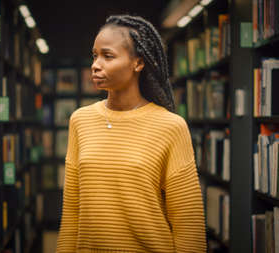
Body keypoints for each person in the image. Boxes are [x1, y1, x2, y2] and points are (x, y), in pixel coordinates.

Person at [56, 14, 206, 252]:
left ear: (138, 63)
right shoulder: (80, 120)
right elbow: (72, 213)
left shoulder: (171, 126)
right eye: (95, 55)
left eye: (108, 56)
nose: (96, 64)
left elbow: (189, 225)